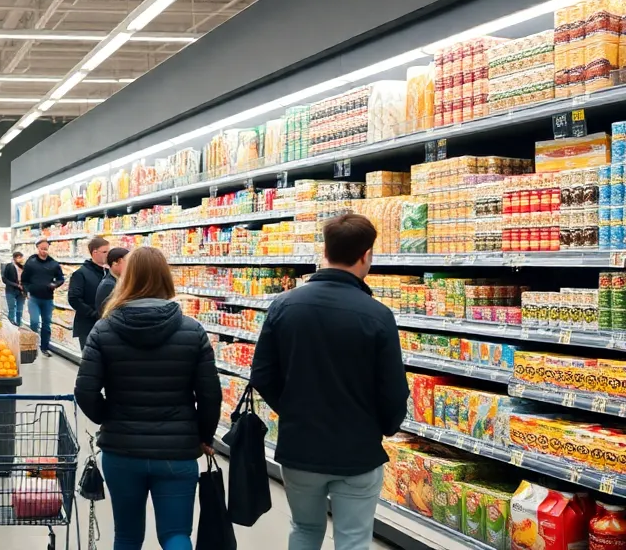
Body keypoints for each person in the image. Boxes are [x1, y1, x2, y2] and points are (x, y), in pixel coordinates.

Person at [250, 213, 410, 550]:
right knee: (353, 539)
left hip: (300, 447)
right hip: (358, 450)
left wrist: (293, 409)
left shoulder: (284, 306)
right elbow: (393, 388)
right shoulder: (378, 315)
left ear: (325, 249)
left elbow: (262, 374)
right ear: (367, 254)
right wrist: (385, 426)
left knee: (305, 530)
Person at [74, 246, 221, 550]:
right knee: (176, 534)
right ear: (165, 278)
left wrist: (109, 417)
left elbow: (85, 391)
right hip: (177, 452)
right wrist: (203, 435)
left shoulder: (104, 329)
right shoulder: (192, 331)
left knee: (127, 536)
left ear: (128, 278)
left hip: (122, 450)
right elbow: (210, 395)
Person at [21, 238, 64, 357]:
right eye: (42, 249)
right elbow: (24, 280)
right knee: (34, 322)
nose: (44, 251)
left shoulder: (54, 264)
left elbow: (61, 278)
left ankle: (44, 347)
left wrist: (55, 284)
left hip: (48, 299)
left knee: (46, 324)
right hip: (34, 298)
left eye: (46, 249)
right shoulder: (31, 263)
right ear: (37, 248)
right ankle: (32, 346)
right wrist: (27, 291)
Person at [68, 236, 109, 345]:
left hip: (106, 324)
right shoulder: (80, 274)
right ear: (95, 253)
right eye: (105, 251)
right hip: (87, 326)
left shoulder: (108, 273)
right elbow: (74, 299)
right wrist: (93, 313)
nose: (108, 254)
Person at [94, 246, 129, 315]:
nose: (130, 265)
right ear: (116, 262)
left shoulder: (117, 281)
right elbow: (105, 312)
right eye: (127, 262)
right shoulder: (108, 285)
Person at [0, 251, 25, 326]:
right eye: (19, 258)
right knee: (11, 308)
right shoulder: (9, 266)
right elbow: (4, 279)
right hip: (11, 290)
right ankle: (11, 325)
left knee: (20, 310)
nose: (21, 259)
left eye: (21, 257)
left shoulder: (24, 267)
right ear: (14, 258)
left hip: (21, 292)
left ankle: (19, 324)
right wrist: (16, 285)